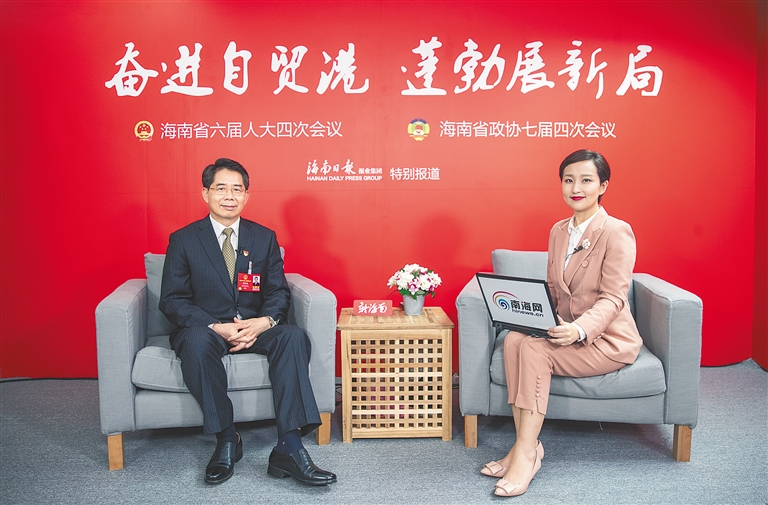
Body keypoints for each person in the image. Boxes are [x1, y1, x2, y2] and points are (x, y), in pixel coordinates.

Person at [159, 158, 337, 486]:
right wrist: (217, 326)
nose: (229, 196)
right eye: (221, 189)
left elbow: (278, 292)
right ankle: (227, 438)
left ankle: (289, 447)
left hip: (254, 326)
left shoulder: (263, 237)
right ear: (205, 193)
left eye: (237, 189)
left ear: (246, 195)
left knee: (293, 336)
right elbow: (173, 300)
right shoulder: (184, 240)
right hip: (207, 329)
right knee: (196, 341)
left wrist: (264, 322)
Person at [482, 149, 642, 497]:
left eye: (586, 180)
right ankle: (524, 445)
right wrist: (536, 318)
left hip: (606, 340)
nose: (576, 188)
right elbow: (554, 290)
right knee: (514, 339)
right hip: (563, 328)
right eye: (569, 180)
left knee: (535, 350)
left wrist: (579, 329)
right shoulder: (558, 231)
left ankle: (526, 455)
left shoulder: (616, 232)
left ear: (603, 186)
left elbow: (614, 298)